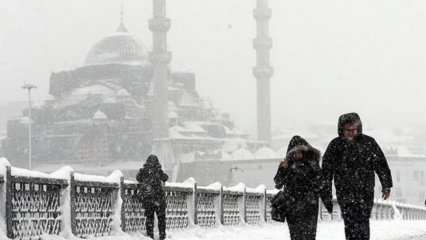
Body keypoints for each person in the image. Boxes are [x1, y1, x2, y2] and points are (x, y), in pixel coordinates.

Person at [321, 113, 393, 240]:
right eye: (347, 130)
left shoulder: (369, 143)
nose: (350, 133)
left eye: (353, 129)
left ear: (358, 129)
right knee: (349, 223)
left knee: (363, 221)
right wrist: (326, 194)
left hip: (365, 191)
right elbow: (326, 172)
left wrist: (386, 186)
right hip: (344, 192)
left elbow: (381, 164)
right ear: (341, 130)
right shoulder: (335, 145)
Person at [274, 135, 327, 240]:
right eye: (294, 152)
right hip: (292, 206)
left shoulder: (312, 164)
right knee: (295, 235)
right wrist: (282, 169)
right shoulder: (287, 165)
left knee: (309, 235)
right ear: (291, 153)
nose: (297, 155)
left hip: (309, 206)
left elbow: (321, 183)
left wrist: (312, 193)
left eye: (300, 152)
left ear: (304, 151)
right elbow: (278, 183)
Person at [136, 154, 169, 240]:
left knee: (149, 218)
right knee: (161, 218)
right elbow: (165, 178)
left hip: (148, 199)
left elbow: (138, 178)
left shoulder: (144, 171)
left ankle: (150, 236)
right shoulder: (158, 171)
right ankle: (162, 236)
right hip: (159, 198)